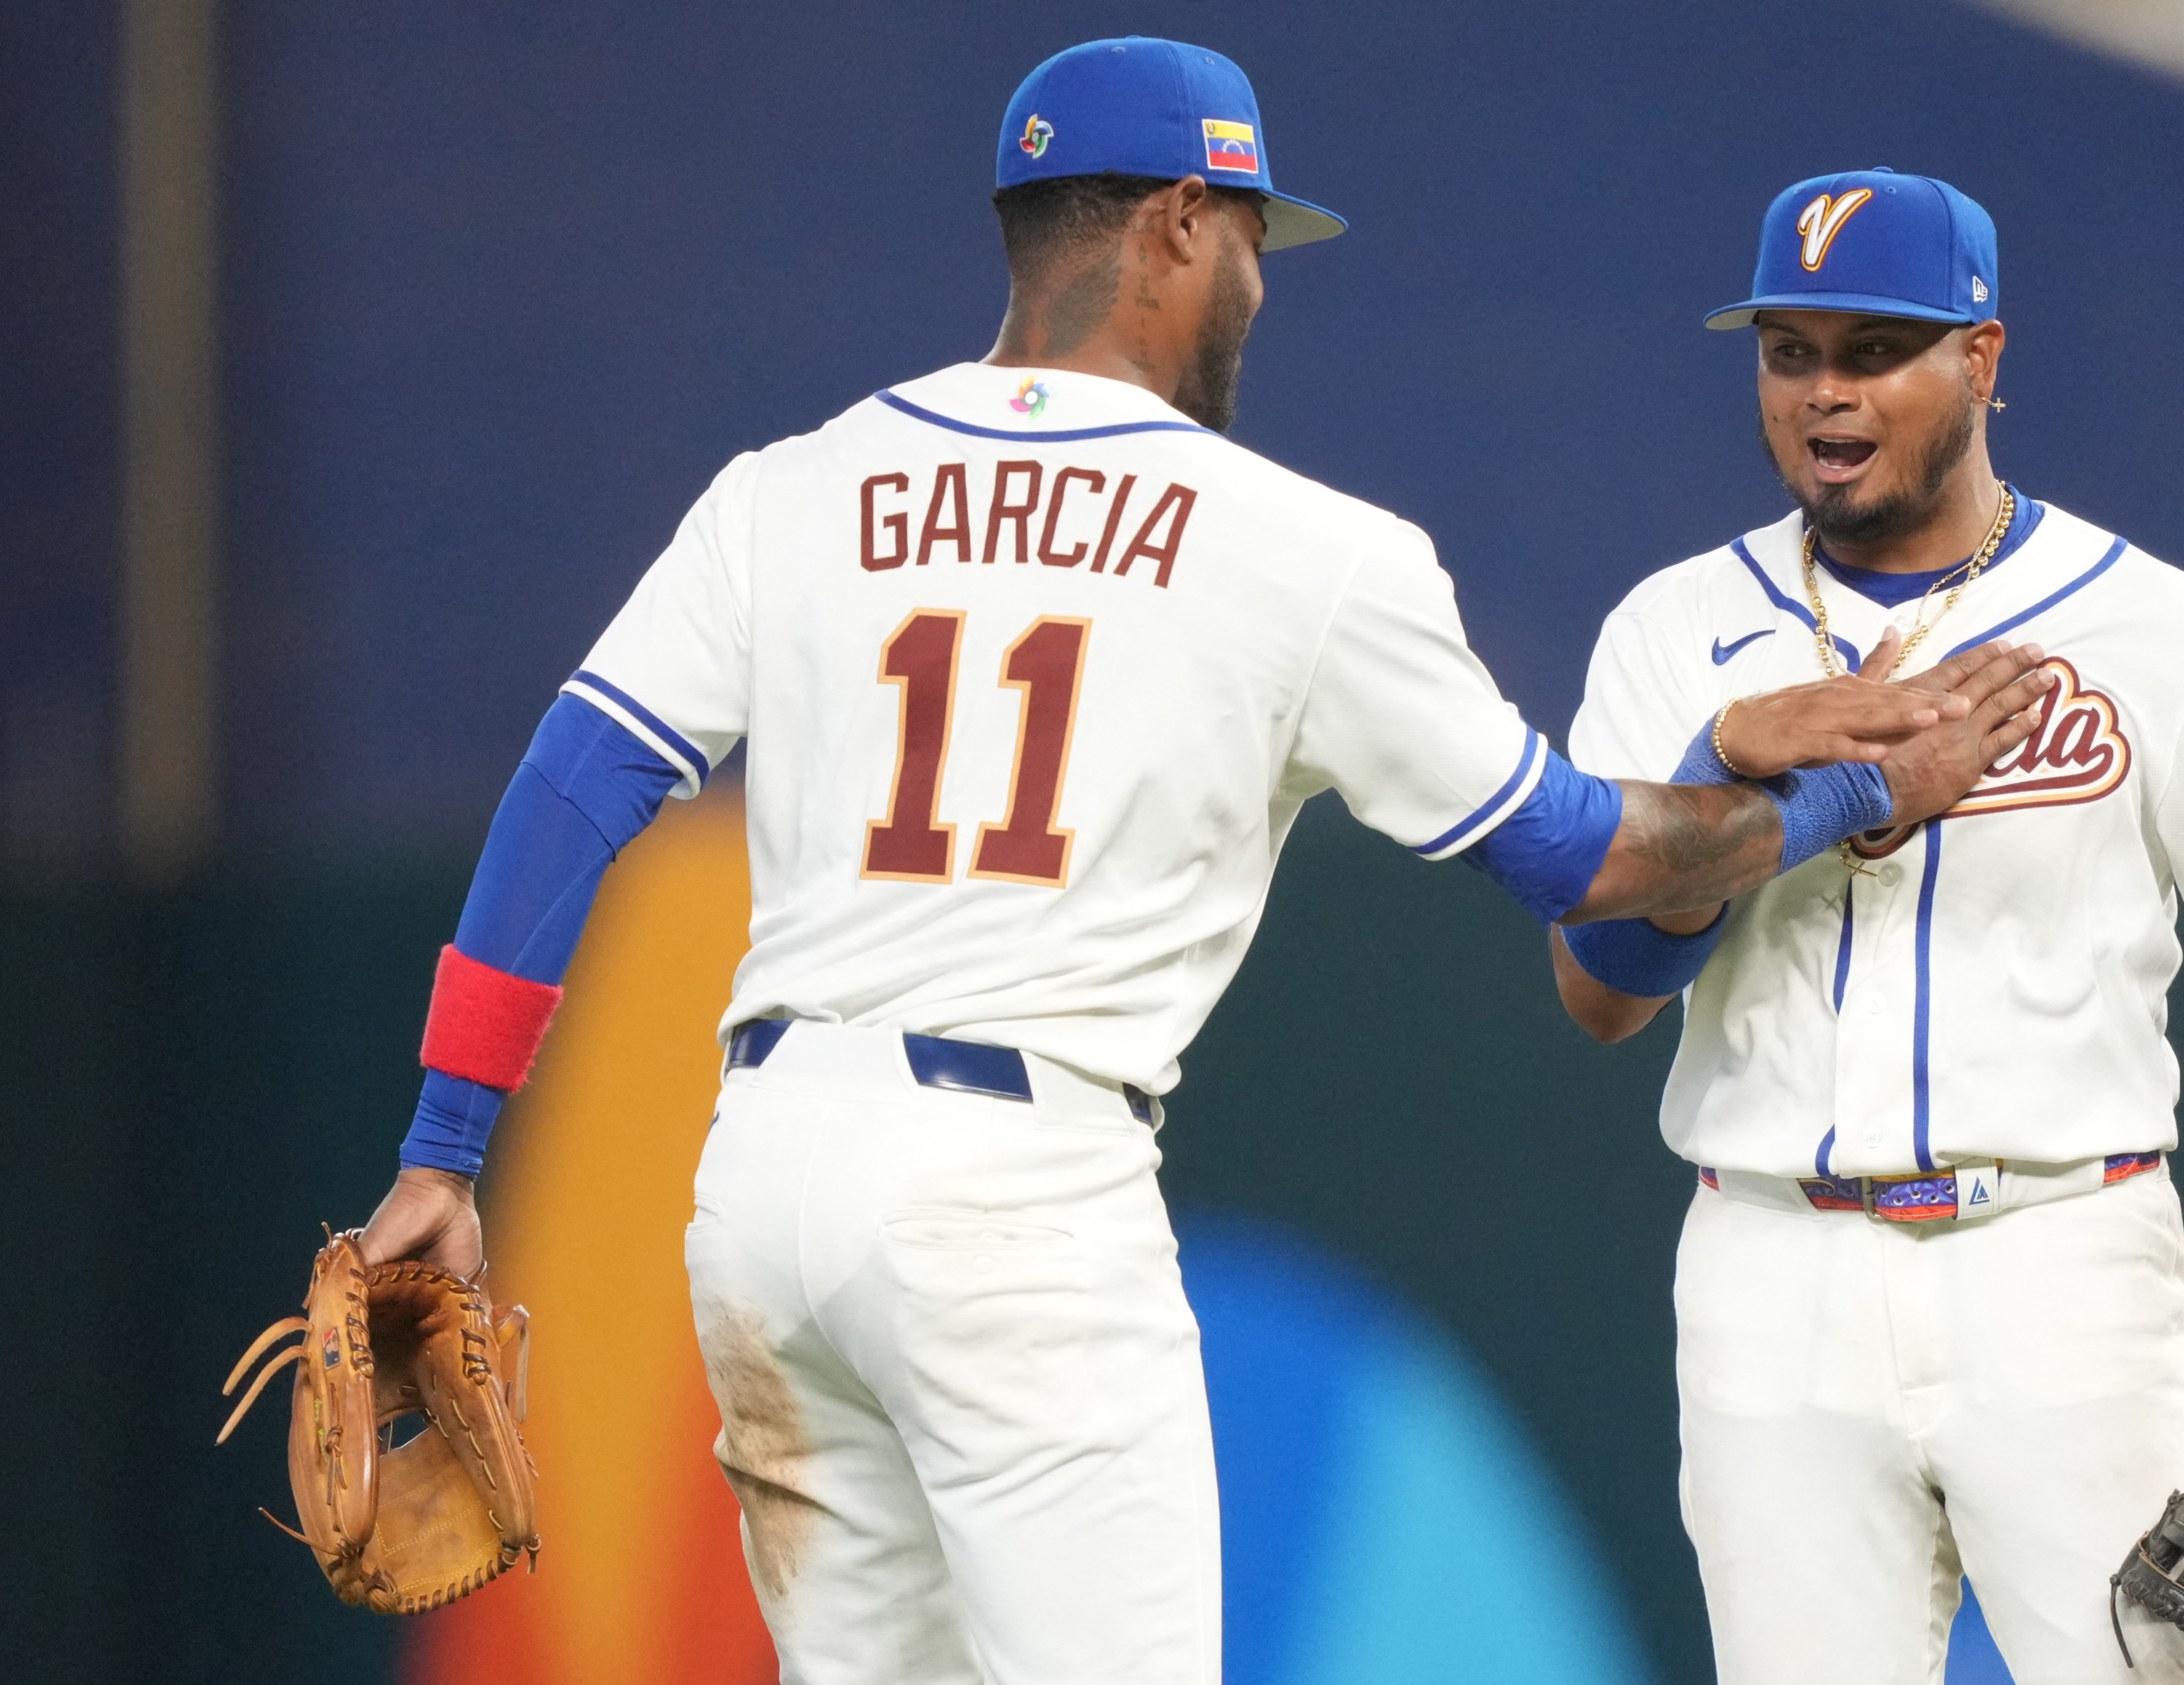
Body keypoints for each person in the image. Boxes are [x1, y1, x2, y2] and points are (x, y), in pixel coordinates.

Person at [343, 46, 2060, 1685]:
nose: (1253, 283)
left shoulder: (796, 489)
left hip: (768, 1187)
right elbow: (1575, 858)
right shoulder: (1297, 549)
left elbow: (574, 787)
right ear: (1176, 222)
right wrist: (1843, 800)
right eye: (1247, 239)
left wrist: (444, 1145)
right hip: (1014, 1198)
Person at [1547, 169, 2184, 1684]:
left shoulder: (2160, 630)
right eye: (1788, 352)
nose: (1824, 393)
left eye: (1875, 350)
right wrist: (1734, 775)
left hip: (2064, 1261)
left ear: (1984, 358)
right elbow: (1602, 989)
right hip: (1774, 1270)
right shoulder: (1675, 631)